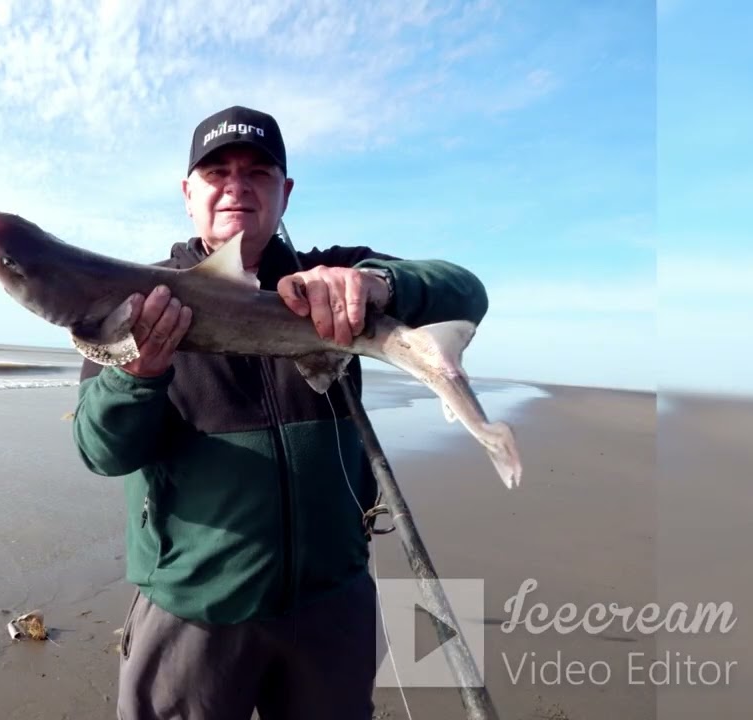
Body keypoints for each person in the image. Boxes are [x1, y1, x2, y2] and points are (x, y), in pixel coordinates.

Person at [71, 105, 490, 720]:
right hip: (195, 610)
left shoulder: (337, 275)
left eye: (257, 172)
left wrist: (376, 286)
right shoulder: (142, 298)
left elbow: (465, 289)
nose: (236, 186)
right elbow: (101, 451)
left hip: (331, 602)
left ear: (284, 191)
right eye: (216, 172)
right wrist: (139, 374)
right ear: (189, 194)